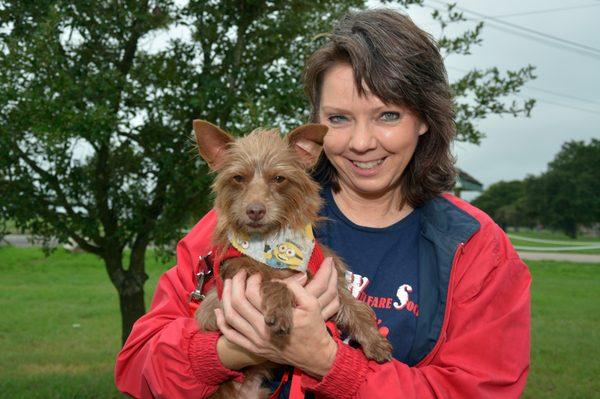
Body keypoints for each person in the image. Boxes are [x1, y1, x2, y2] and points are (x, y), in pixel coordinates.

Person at [115, 9, 531, 398]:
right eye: (339, 118)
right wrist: (231, 352)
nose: (362, 142)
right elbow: (138, 366)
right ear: (314, 128)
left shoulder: (475, 249)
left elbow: (480, 390)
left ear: (424, 118)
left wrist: (327, 361)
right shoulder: (240, 223)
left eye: (387, 115)